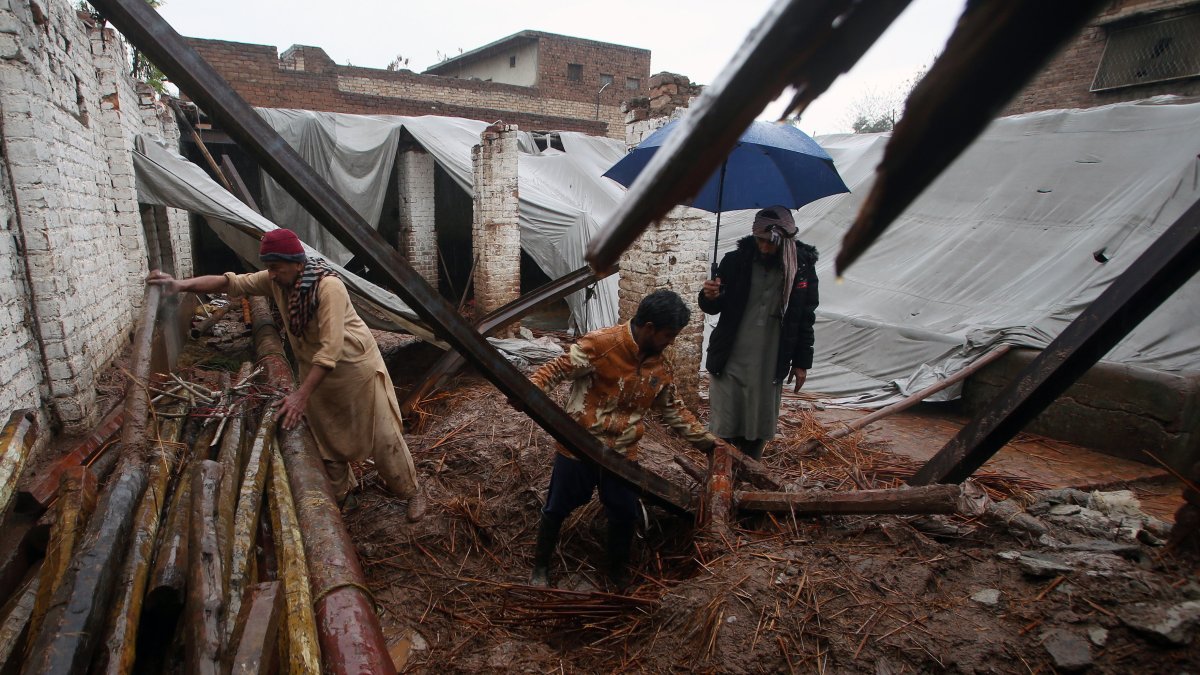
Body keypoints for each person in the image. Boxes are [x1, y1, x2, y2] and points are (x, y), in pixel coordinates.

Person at [147, 228, 426, 521]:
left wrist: (299, 396)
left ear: (296, 263)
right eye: (269, 268)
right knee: (326, 440)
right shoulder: (278, 281)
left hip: (354, 370)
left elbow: (329, 350)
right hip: (316, 374)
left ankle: (411, 491)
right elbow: (231, 282)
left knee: (383, 438)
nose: (272, 274)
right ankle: (345, 497)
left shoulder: (328, 287)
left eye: (276, 267)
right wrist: (179, 285)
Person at [526, 290, 727, 589]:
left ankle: (616, 573)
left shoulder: (661, 364)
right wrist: (529, 391)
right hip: (579, 444)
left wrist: (710, 443)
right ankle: (540, 566)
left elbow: (675, 411)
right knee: (557, 507)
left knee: (624, 513)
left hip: (622, 453)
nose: (670, 342)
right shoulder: (601, 345)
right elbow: (554, 370)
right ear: (648, 328)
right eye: (668, 335)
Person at [698, 206, 819, 461]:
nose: (764, 248)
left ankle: (749, 470)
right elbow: (713, 306)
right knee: (724, 421)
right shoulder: (735, 262)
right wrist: (708, 295)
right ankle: (720, 472)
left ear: (786, 240)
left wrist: (800, 363)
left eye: (770, 243)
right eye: (760, 241)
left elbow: (805, 317)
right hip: (731, 355)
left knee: (758, 422)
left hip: (770, 357)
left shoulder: (801, 268)